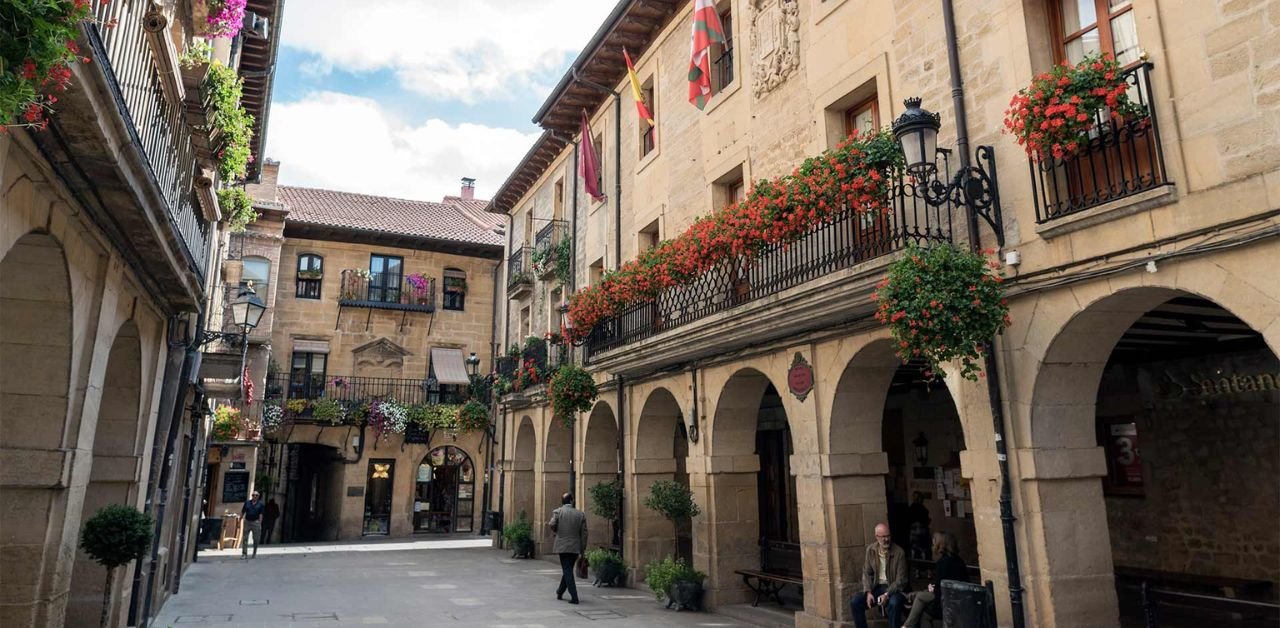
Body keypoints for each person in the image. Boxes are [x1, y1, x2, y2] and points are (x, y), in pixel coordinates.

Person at [903, 532, 967, 628]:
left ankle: (906, 625)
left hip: (946, 601)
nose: (932, 547)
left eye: (934, 544)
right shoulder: (959, 561)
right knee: (920, 598)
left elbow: (939, 590)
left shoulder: (943, 563)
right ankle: (907, 619)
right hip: (957, 599)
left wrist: (933, 588)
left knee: (922, 604)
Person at [850, 522, 908, 628]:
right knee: (855, 601)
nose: (886, 539)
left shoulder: (899, 552)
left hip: (894, 589)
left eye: (888, 536)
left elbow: (901, 581)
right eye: (883, 537)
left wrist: (887, 594)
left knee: (894, 603)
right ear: (876, 537)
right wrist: (868, 592)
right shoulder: (871, 550)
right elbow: (866, 572)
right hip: (877, 588)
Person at [548, 492, 587, 604]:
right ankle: (560, 591)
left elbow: (552, 524)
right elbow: (584, 534)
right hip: (575, 546)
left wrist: (556, 531)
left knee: (567, 569)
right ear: (572, 501)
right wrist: (583, 549)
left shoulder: (558, 512)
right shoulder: (580, 514)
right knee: (568, 569)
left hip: (562, 545)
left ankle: (574, 596)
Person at [908, 492, 932, 560]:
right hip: (922, 531)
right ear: (920, 499)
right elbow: (925, 520)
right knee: (924, 550)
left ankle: (916, 567)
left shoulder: (910, 508)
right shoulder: (923, 509)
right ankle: (925, 566)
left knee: (914, 550)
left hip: (913, 532)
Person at [240, 491, 265, 559]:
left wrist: (259, 523)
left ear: (258, 496)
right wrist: (240, 519)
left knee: (256, 539)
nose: (255, 496)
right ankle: (244, 554)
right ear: (252, 495)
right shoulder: (247, 503)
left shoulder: (261, 504)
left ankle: (254, 552)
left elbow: (261, 514)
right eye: (253, 495)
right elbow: (243, 511)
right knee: (245, 538)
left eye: (256, 495)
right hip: (247, 521)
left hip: (255, 522)